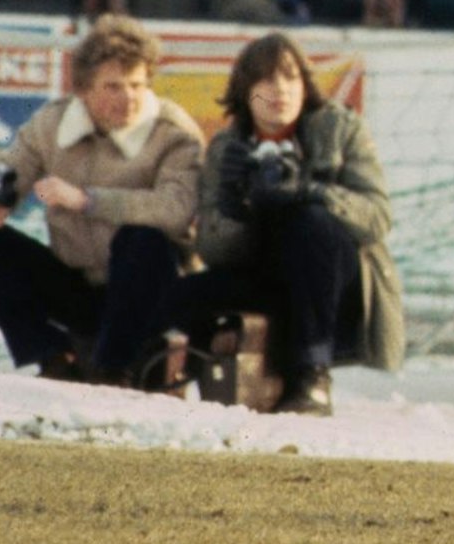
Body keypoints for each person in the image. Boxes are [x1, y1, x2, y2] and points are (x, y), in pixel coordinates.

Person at [0, 15, 202, 385]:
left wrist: (88, 200)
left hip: (151, 291)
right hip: (79, 286)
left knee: (144, 237)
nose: (129, 97)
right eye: (114, 87)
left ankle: (113, 369)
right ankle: (51, 355)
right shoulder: (51, 124)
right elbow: (6, 173)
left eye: (137, 84)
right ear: (84, 90)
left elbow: (176, 210)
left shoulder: (173, 130)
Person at [166, 32, 403, 416]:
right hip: (267, 274)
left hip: (335, 281)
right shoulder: (228, 147)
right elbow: (212, 252)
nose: (280, 90)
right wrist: (234, 208)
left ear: (306, 85)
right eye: (266, 80)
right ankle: (154, 376)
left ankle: (312, 375)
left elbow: (377, 217)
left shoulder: (341, 129)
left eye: (291, 78)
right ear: (246, 92)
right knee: (174, 297)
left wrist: (312, 192)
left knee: (308, 222)